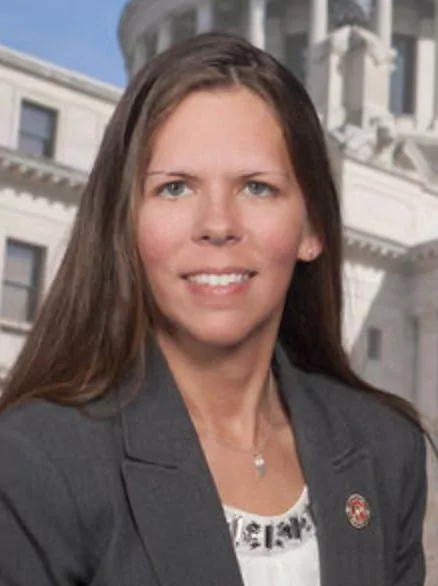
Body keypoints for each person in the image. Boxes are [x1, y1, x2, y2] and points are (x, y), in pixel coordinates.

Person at [0, 33, 427, 586]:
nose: (218, 225)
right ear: (125, 223)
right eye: (176, 188)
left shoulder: (385, 448)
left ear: (312, 228)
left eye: (257, 187)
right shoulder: (36, 463)